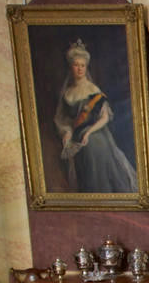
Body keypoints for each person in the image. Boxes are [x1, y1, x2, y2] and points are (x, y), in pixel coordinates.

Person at [54, 39, 138, 193]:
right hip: (78, 141)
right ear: (70, 67)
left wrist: (88, 132)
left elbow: (105, 117)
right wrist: (67, 132)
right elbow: (64, 119)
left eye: (82, 66)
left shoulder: (93, 90)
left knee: (97, 170)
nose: (79, 69)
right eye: (76, 65)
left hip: (97, 137)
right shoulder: (67, 93)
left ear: (86, 67)